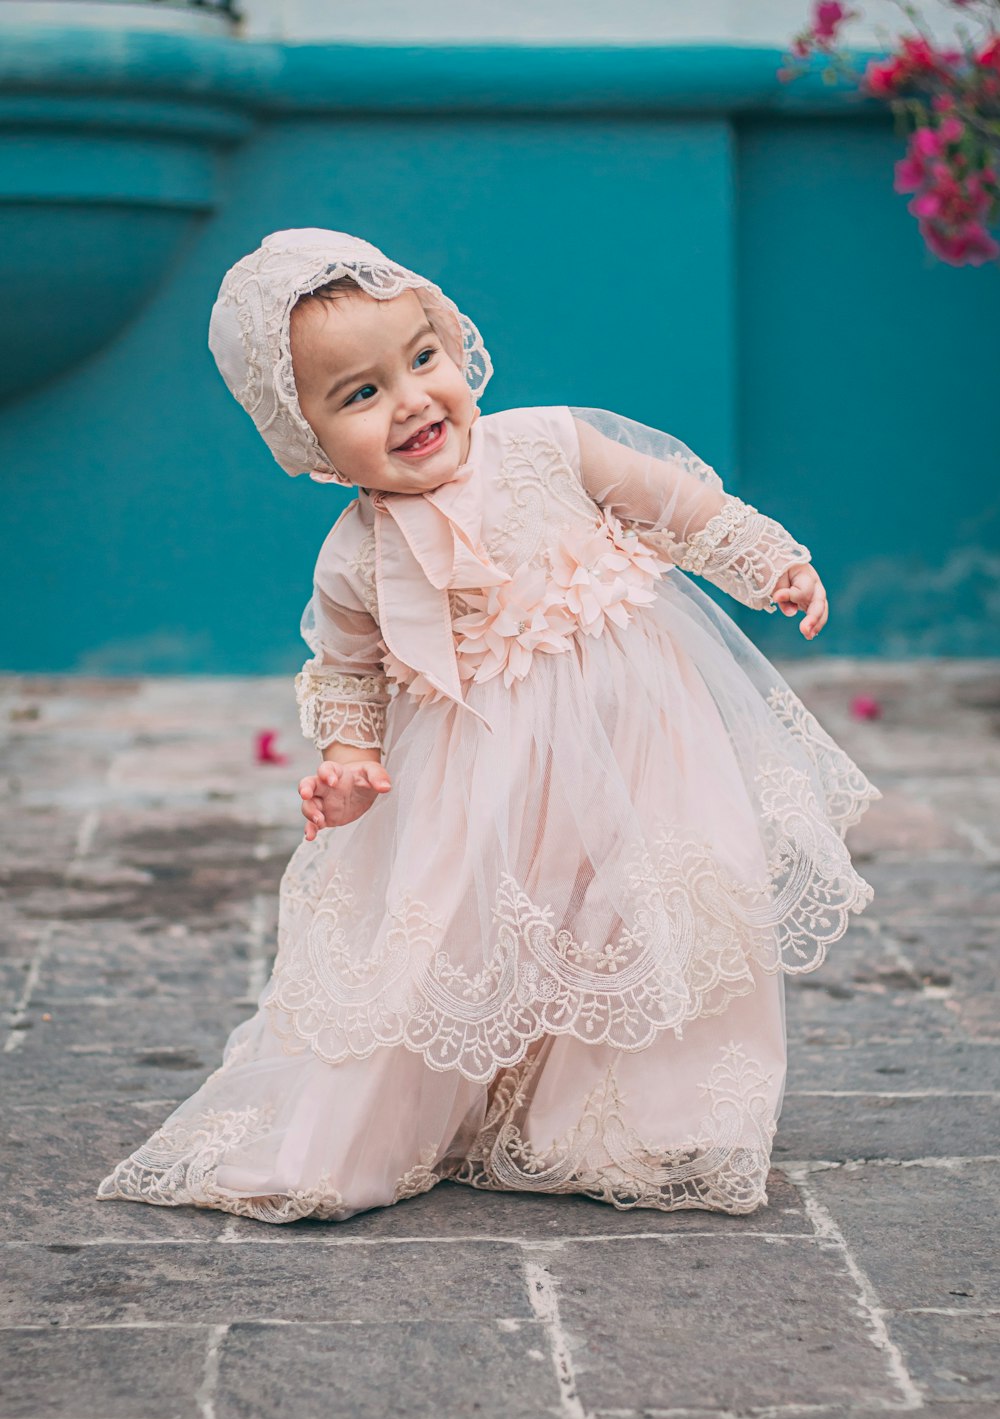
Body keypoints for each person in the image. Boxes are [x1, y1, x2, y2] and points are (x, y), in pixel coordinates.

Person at [96, 228, 881, 1224]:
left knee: (651, 912)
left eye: (420, 359)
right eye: (360, 395)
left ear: (453, 345)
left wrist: (765, 561)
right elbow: (347, 675)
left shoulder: (547, 443)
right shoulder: (354, 556)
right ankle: (382, 1128)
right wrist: (347, 761)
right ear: (306, 440)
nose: (412, 400)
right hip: (484, 772)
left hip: (640, 738)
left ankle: (645, 1121)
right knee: (457, 938)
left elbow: (673, 503)